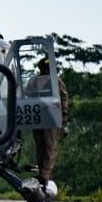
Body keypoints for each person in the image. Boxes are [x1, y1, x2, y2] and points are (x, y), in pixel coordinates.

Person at [29, 58, 69, 193]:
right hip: (38, 116)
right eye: (44, 67)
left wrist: (64, 116)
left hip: (52, 117)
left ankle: (46, 174)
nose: (45, 70)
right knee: (40, 145)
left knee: (50, 146)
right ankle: (42, 172)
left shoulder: (56, 81)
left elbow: (64, 98)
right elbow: (27, 96)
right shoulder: (34, 81)